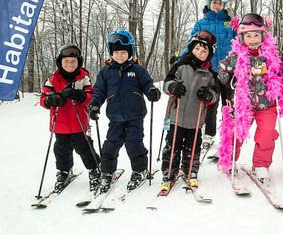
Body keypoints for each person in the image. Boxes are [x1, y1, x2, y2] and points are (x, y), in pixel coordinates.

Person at [217, 13, 283, 185]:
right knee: (237, 133)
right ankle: (231, 160)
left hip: (268, 104)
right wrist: (231, 79)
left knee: (267, 134)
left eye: (256, 34)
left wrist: (280, 78)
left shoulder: (273, 53)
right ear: (241, 37)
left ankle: (261, 165)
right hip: (245, 105)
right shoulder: (236, 55)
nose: (252, 39)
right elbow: (221, 71)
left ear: (263, 35)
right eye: (248, 35)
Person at [88, 30, 161, 193]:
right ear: (111, 52)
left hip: (135, 115)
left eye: (123, 52)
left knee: (133, 143)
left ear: (130, 52)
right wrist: (94, 104)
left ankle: (139, 170)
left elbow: (147, 84)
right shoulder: (105, 72)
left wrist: (152, 92)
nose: (119, 55)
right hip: (115, 116)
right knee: (110, 145)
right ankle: (107, 172)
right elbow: (99, 91)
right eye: (116, 52)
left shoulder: (138, 69)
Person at [161, 30, 220, 190]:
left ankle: (190, 171)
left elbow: (215, 94)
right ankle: (169, 172)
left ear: (209, 54)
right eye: (198, 49)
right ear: (191, 48)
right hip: (176, 116)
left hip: (195, 119)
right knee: (173, 146)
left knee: (193, 147)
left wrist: (208, 95)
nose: (200, 53)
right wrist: (173, 87)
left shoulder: (210, 74)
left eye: (205, 50)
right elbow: (166, 84)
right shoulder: (180, 65)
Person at [40, 44, 101, 192]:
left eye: (73, 61)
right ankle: (64, 171)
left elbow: (91, 97)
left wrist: (78, 95)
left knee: (85, 148)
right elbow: (44, 100)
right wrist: (52, 100)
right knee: (61, 150)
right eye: (66, 61)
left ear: (78, 62)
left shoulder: (83, 78)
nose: (70, 64)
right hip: (59, 124)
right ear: (60, 62)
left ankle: (94, 169)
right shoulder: (52, 80)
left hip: (79, 123)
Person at [181, 0, 236, 150]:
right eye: (214, 3)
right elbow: (192, 43)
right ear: (209, 3)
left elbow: (241, 41)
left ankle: (229, 135)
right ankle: (209, 135)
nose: (217, 6)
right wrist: (181, 59)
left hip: (229, 70)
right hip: (210, 69)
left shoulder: (230, 22)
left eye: (220, 3)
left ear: (224, 4)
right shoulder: (201, 23)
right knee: (210, 103)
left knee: (229, 104)